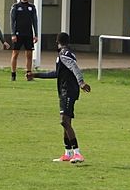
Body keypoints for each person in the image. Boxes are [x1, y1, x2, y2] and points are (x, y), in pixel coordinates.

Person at [30, 32, 91, 163]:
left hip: (68, 91)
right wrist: (36, 75)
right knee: (66, 121)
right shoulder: (67, 53)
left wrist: (81, 82)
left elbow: (74, 68)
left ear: (57, 42)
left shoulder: (64, 54)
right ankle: (67, 153)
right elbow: (57, 73)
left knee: (64, 121)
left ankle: (77, 153)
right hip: (66, 91)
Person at [10, 0, 39, 81]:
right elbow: (12, 21)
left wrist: (36, 34)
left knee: (29, 54)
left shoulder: (32, 7)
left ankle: (28, 74)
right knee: (15, 54)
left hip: (28, 34)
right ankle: (13, 74)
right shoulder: (15, 6)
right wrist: (13, 34)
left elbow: (35, 21)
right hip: (18, 33)